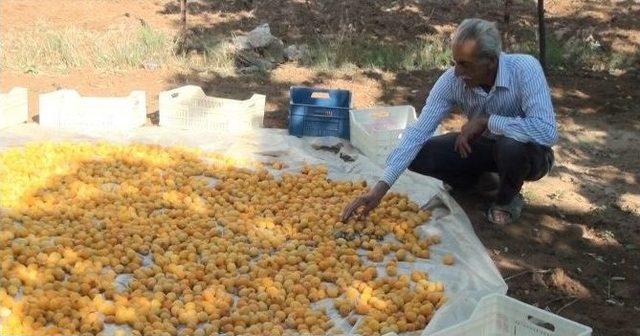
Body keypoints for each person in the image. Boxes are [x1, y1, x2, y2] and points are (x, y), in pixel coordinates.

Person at [342, 18, 557, 225]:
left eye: (465, 65)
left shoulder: (525, 69)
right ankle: (482, 181)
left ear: (491, 61)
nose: (457, 71)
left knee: (511, 146)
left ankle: (507, 199)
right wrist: (379, 190)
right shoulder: (451, 81)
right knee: (421, 154)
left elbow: (546, 132)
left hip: (530, 153)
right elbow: (418, 132)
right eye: (455, 62)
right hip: (482, 148)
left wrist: (487, 121)